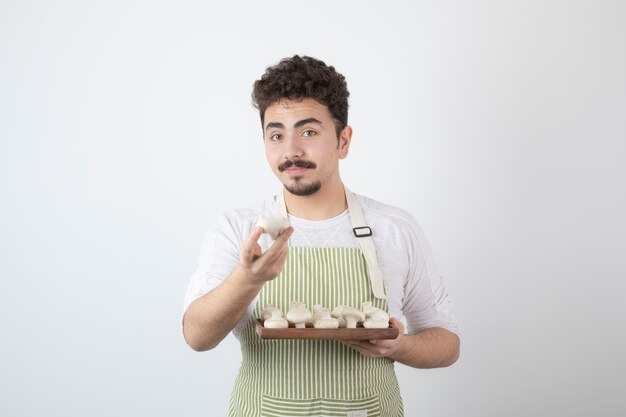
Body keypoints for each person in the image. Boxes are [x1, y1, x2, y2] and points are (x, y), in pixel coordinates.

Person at [182, 55, 460, 417]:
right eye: (277, 134)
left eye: (309, 132)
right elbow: (197, 337)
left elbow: (448, 343)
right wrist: (247, 279)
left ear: (343, 141)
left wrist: (398, 346)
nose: (291, 151)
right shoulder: (237, 227)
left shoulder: (394, 227)